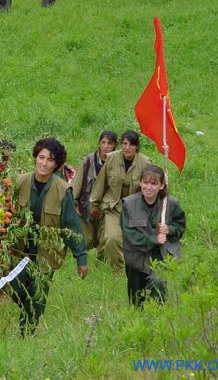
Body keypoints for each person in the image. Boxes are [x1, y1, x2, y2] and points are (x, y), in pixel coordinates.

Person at [12, 138, 88, 336]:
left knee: (38, 295)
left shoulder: (63, 190)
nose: (44, 163)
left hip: (47, 251)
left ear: (56, 164)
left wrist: (81, 258)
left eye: (50, 160)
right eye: (41, 157)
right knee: (16, 287)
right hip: (20, 249)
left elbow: (72, 225)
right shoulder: (20, 182)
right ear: (35, 158)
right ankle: (24, 311)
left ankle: (26, 333)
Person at [122, 165, 185, 307]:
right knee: (136, 301)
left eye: (154, 183)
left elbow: (180, 226)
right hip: (136, 258)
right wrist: (153, 239)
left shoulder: (171, 204)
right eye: (145, 182)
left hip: (161, 256)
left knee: (158, 283)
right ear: (140, 183)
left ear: (162, 185)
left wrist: (169, 229)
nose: (149, 187)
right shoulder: (129, 204)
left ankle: (157, 318)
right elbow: (129, 235)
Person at [89, 130, 151, 271]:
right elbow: (100, 184)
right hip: (113, 207)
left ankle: (116, 264)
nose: (127, 147)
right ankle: (118, 270)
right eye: (124, 143)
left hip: (134, 210)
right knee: (112, 238)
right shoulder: (111, 159)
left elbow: (151, 188)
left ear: (137, 147)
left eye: (131, 144)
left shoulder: (145, 163)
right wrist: (94, 206)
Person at [72, 131, 118, 251]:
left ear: (115, 146)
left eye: (110, 143)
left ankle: (101, 264)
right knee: (87, 241)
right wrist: (75, 203)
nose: (106, 146)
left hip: (106, 209)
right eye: (103, 142)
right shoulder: (88, 161)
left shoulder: (118, 163)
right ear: (99, 144)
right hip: (86, 207)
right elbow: (76, 184)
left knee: (105, 241)